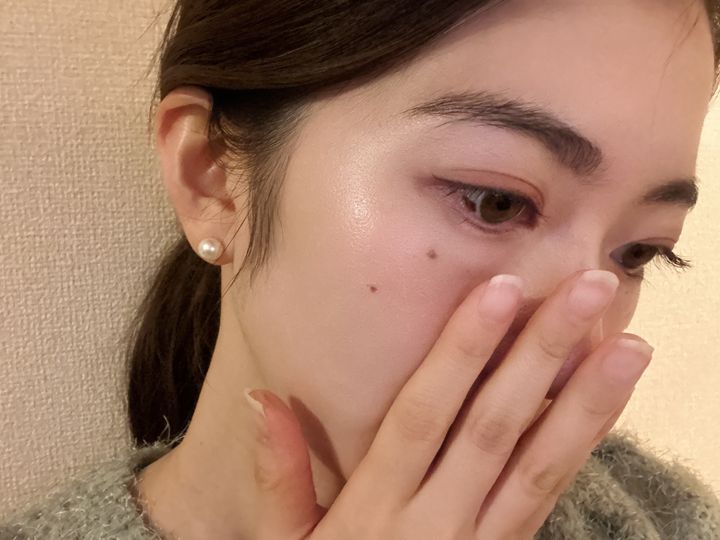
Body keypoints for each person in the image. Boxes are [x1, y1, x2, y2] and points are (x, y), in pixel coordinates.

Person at [3, 0, 720, 538]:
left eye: (638, 252)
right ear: (211, 177)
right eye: (494, 202)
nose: (581, 344)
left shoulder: (670, 520)